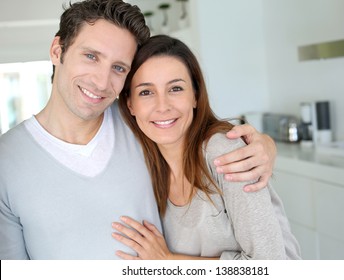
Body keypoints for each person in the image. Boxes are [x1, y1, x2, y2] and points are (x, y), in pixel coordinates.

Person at [0, 0, 277, 260]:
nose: (100, 81)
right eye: (91, 56)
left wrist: (264, 145)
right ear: (57, 51)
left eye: (118, 67)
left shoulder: (142, 124)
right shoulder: (7, 162)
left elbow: (199, 131)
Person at [113, 35, 300, 260]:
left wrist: (169, 262)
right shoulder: (146, 165)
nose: (162, 106)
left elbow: (269, 263)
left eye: (175, 89)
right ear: (130, 104)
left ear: (195, 95)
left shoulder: (223, 152)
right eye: (146, 92)